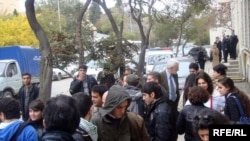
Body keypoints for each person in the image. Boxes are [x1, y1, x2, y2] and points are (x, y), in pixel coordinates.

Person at [160, 58, 180, 141]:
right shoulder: (161, 76)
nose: (178, 70)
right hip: (165, 107)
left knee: (174, 130)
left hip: (174, 107)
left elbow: (176, 89)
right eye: (177, 68)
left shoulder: (175, 75)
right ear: (171, 68)